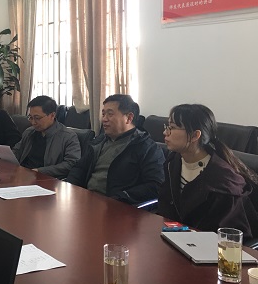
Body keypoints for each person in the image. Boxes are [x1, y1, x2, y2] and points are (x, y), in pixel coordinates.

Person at [157, 104, 258, 237]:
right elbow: (166, 205)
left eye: (172, 127)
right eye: (167, 126)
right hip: (177, 237)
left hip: (210, 244)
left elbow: (231, 234)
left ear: (195, 135)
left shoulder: (224, 180)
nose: (165, 132)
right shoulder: (173, 161)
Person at [65, 94, 165, 205]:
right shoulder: (99, 141)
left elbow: (155, 185)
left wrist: (120, 198)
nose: (104, 119)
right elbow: (79, 168)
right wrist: (71, 190)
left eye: (110, 114)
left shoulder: (147, 147)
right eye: (103, 114)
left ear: (129, 118)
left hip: (117, 206)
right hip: (86, 200)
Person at [12, 95, 81, 179]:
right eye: (30, 117)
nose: (33, 122)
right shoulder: (29, 132)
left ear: (52, 115)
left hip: (47, 179)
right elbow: (17, 151)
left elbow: (71, 163)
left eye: (37, 118)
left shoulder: (68, 136)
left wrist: (40, 171)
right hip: (24, 175)